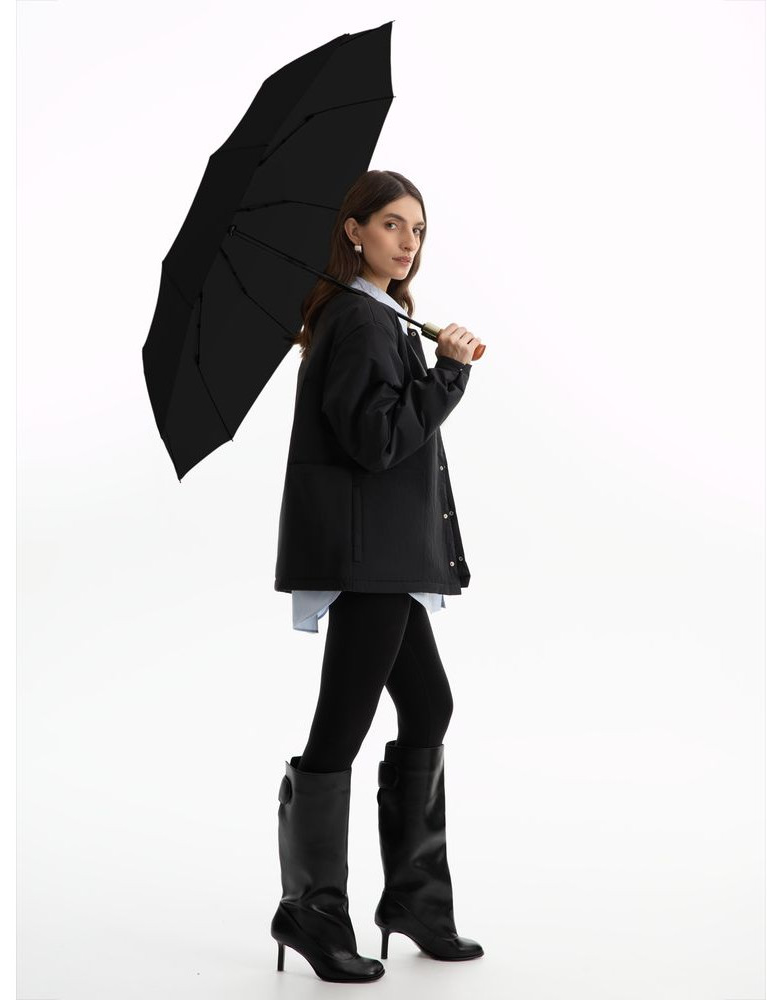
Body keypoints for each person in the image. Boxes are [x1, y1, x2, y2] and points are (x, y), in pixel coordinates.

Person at [270, 170, 485, 983]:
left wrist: (434, 361)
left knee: (427, 704)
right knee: (342, 725)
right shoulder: (360, 320)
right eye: (392, 224)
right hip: (369, 558)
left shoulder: (379, 317)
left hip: (382, 554)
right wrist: (449, 374)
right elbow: (378, 440)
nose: (408, 241)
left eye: (418, 229)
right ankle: (311, 909)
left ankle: (415, 901)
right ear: (353, 230)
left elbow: (385, 430)